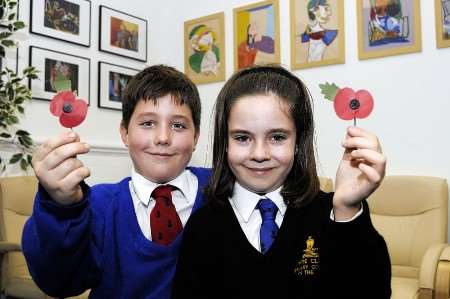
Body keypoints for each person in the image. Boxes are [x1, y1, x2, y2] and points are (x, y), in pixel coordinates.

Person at [172, 65, 391, 299]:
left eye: (277, 137)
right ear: (225, 143)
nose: (259, 154)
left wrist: (347, 210)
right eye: (242, 138)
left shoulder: (331, 216)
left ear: (298, 141)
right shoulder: (203, 226)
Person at [22, 65, 211, 299]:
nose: (163, 138)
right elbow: (57, 282)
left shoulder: (219, 190)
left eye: (178, 125)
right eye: (148, 123)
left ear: (196, 137)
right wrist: (61, 208)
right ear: (124, 133)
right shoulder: (98, 206)